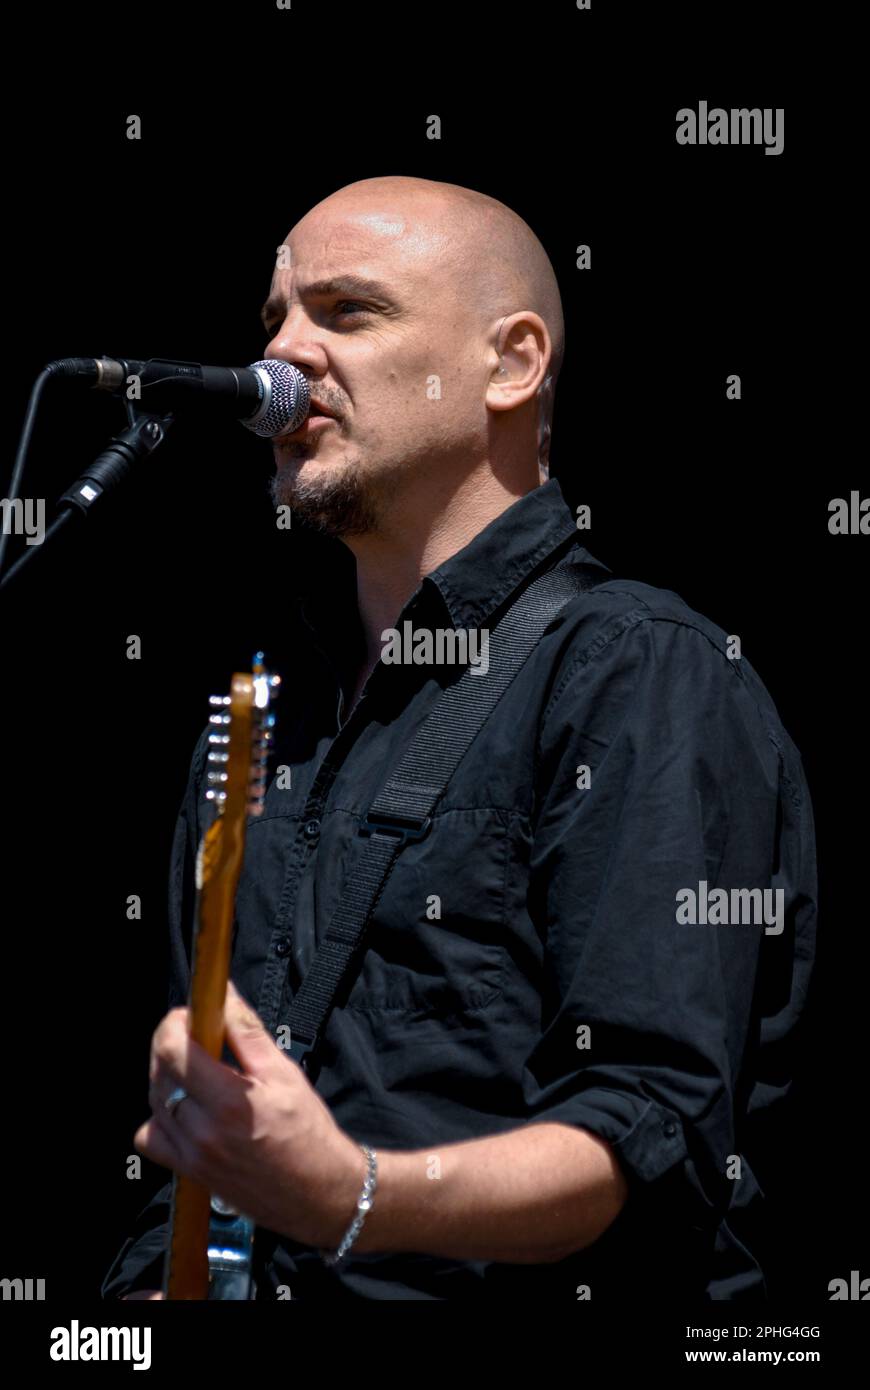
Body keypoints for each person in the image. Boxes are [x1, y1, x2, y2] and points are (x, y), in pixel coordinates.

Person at [102, 175, 817, 1301]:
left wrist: (352, 1195)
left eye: (345, 313)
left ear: (512, 363)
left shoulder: (634, 669)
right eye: (274, 320)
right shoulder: (266, 700)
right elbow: (213, 1141)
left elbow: (651, 1127)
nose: (282, 358)